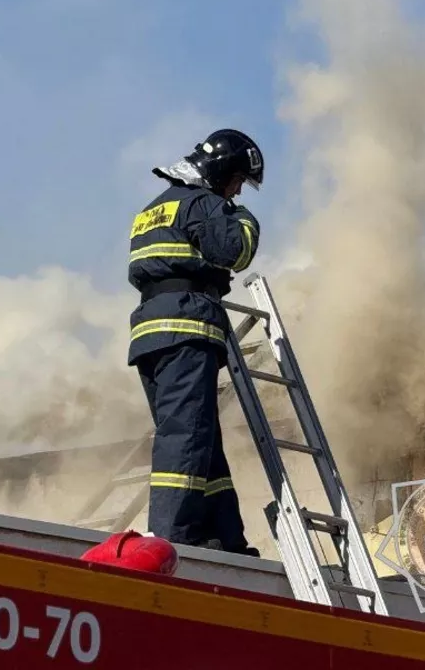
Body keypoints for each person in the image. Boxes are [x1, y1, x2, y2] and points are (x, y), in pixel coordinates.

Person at [125, 128, 265, 555]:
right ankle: (171, 535)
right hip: (187, 327)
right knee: (185, 437)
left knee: (200, 437)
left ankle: (224, 534)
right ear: (221, 169)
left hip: (152, 333)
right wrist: (243, 219)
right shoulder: (201, 203)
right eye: (238, 179)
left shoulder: (153, 209)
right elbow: (234, 252)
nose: (238, 189)